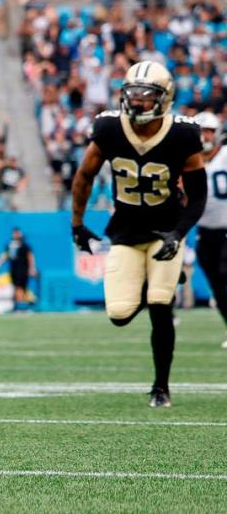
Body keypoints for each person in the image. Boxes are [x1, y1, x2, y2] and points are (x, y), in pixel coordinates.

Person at [72, 61, 206, 408]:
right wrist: (77, 223)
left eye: (147, 97)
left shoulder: (183, 134)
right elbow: (84, 176)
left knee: (161, 305)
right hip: (127, 230)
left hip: (166, 230)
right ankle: (153, 285)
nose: (137, 102)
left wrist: (179, 233)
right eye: (132, 95)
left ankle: (161, 388)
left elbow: (198, 194)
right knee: (118, 314)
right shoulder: (108, 128)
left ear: (164, 99)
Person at [192, 112, 227, 347]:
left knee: (226, 273)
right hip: (205, 231)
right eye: (201, 131)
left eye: (209, 131)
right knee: (216, 285)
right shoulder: (188, 160)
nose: (205, 136)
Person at [0, 227, 37, 309]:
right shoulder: (10, 244)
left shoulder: (24, 244)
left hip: (23, 268)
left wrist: (32, 268)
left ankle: (21, 304)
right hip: (14, 269)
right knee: (16, 287)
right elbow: (5, 255)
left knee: (22, 287)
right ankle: (19, 305)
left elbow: (30, 256)